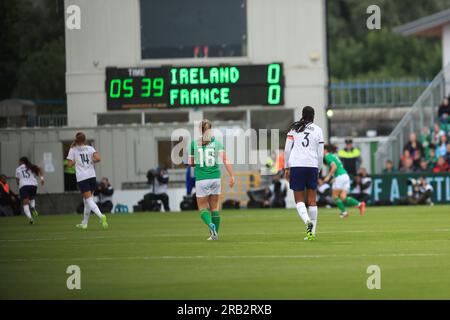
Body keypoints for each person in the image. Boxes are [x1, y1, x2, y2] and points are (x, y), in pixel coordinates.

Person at [188, 119, 235, 241]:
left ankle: (210, 225)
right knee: (215, 207)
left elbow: (190, 163)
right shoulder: (217, 143)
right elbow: (225, 160)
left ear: (200, 130)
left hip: (202, 179)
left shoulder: (194, 144)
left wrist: (197, 163)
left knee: (202, 208)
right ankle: (215, 235)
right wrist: (232, 176)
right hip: (215, 178)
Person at [283, 106, 324, 240]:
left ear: (302, 115)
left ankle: (307, 222)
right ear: (313, 115)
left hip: (297, 165)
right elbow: (320, 153)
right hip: (312, 166)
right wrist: (318, 168)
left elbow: (287, 150)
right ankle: (313, 232)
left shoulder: (294, 128)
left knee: (299, 200)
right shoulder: (318, 130)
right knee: (312, 200)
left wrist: (286, 167)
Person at [66, 132, 108, 230]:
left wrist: (75, 160)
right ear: (84, 140)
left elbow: (69, 164)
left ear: (76, 139)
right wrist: (92, 161)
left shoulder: (73, 149)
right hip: (92, 176)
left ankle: (101, 216)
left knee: (89, 200)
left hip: (82, 177)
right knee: (86, 201)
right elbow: (98, 158)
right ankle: (84, 223)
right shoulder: (90, 148)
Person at [323, 144, 366, 218]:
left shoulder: (327, 156)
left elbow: (334, 167)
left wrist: (328, 176)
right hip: (345, 176)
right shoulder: (333, 156)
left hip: (340, 177)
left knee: (334, 196)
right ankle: (360, 204)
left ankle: (344, 213)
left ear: (325, 150)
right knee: (343, 197)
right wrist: (334, 177)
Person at [15, 157, 44, 224]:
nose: (18, 163)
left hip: (24, 186)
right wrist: (42, 179)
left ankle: (30, 218)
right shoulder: (31, 166)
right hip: (33, 185)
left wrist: (19, 183)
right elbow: (40, 169)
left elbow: (17, 181)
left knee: (25, 203)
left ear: (22, 162)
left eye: (19, 161)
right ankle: (33, 208)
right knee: (31, 198)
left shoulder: (18, 169)